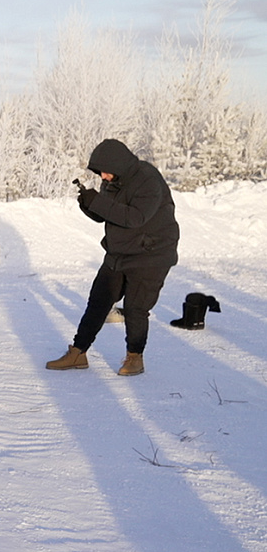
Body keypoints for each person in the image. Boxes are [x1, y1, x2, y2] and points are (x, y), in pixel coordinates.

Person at [46, 139, 179, 376]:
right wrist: (88, 204)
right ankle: (78, 352)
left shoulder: (148, 180)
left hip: (151, 254)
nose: (103, 177)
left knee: (135, 308)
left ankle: (135, 357)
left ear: (119, 165)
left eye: (105, 171)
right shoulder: (112, 180)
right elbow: (108, 214)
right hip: (119, 251)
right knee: (98, 301)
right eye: (100, 173)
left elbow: (135, 217)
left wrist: (98, 202)